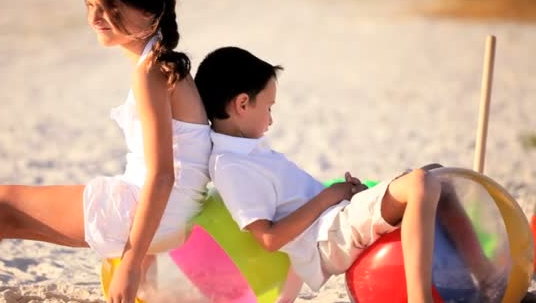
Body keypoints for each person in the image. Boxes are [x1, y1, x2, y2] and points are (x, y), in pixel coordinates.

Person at [0, 0, 211, 302]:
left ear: (151, 8)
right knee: (14, 213)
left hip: (155, 210)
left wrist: (132, 263)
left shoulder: (150, 72)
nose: (95, 19)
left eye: (111, 7)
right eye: (92, 6)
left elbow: (162, 175)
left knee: (2, 205)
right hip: (175, 212)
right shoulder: (167, 64)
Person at [194, 46, 501, 303]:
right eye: (269, 107)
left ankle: (487, 279)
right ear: (243, 104)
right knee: (421, 184)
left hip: (336, 220)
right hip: (329, 236)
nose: (271, 119)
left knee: (435, 175)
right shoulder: (231, 166)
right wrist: (330, 195)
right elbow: (269, 239)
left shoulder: (248, 150)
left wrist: (344, 193)